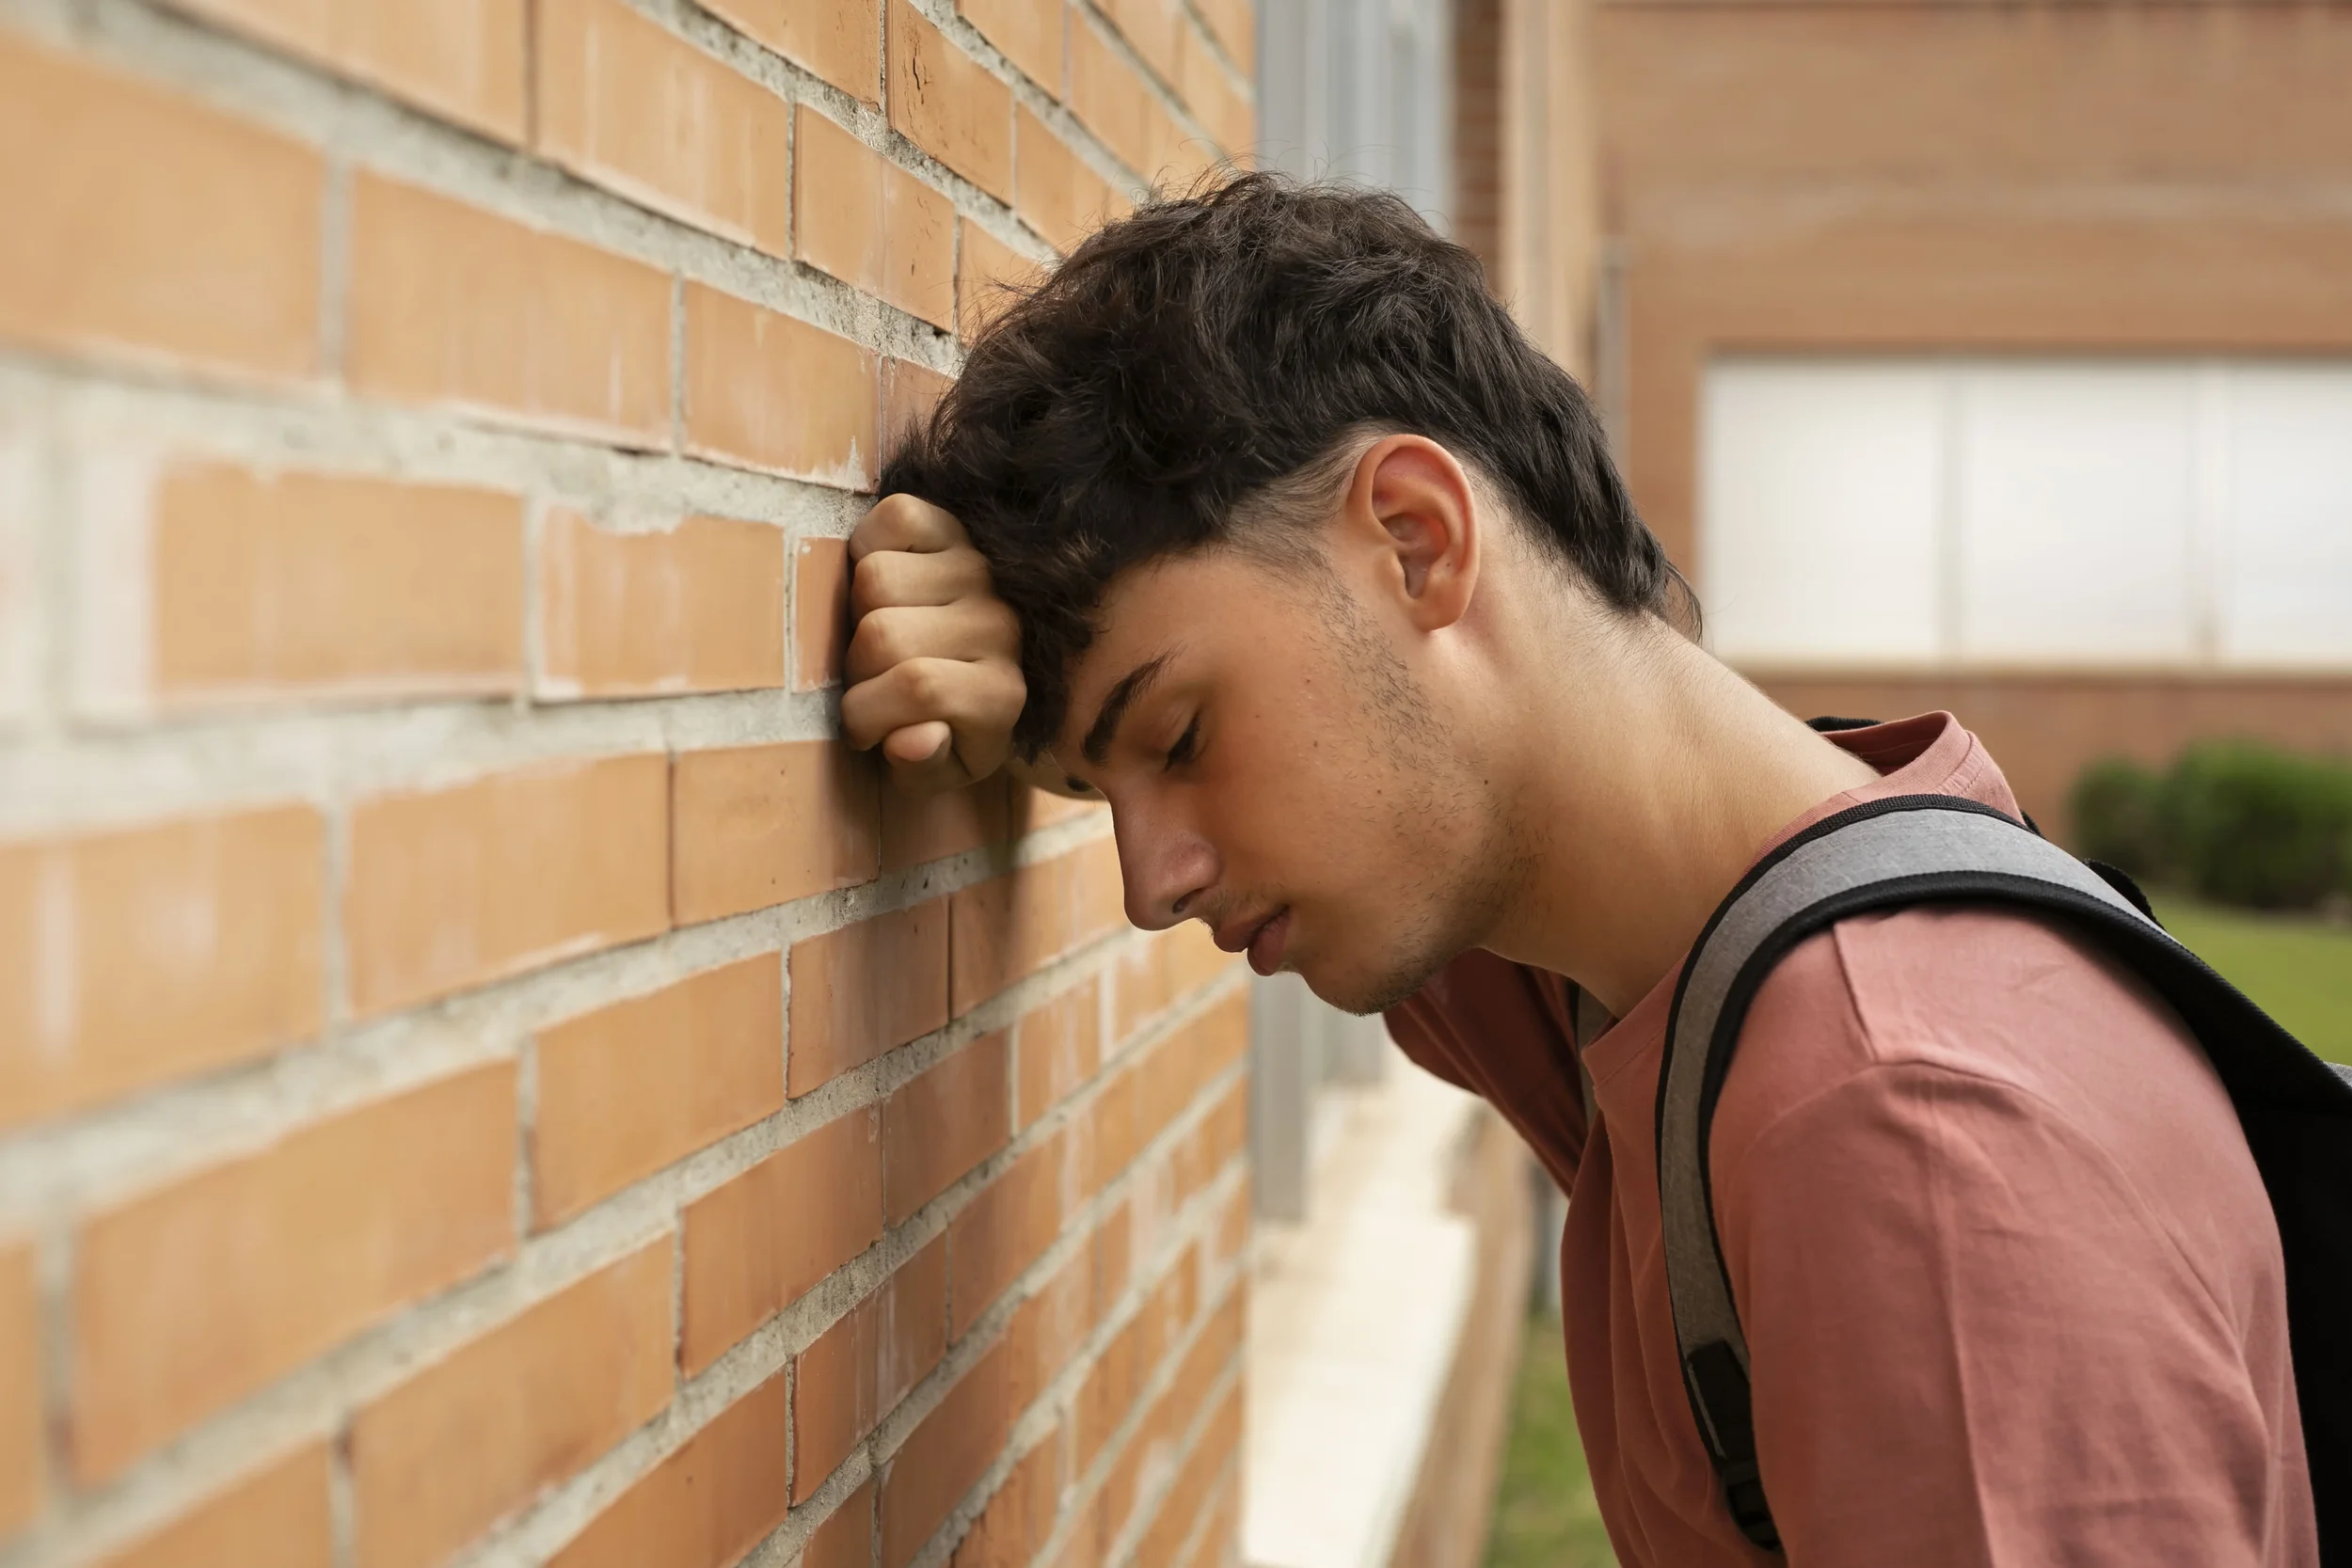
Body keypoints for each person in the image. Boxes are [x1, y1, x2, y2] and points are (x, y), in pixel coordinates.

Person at [836, 173, 2317, 1566]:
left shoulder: (1899, 1125)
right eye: (1105, 790)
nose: (1149, 883)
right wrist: (1036, 702)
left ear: (1417, 541)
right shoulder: (1659, 959)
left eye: (1182, 732)